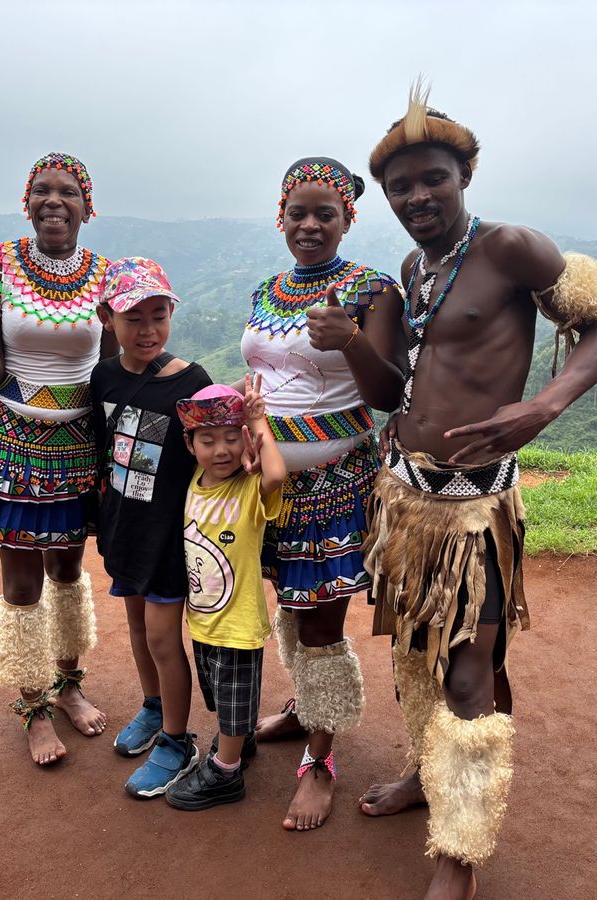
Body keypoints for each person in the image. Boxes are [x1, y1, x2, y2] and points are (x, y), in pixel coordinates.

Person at [357, 85, 597, 900]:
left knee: (469, 675)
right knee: (416, 658)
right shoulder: (415, 267)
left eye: (432, 178)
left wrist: (544, 405)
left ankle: (461, 851)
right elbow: (412, 376)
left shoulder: (509, 248)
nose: (417, 198)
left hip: (476, 509)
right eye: (400, 188)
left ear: (465, 172)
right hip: (405, 501)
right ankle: (423, 771)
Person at [241, 157, 406, 831]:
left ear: (348, 220)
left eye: (325, 214)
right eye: (297, 213)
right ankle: (305, 705)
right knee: (288, 603)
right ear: (280, 217)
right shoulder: (266, 289)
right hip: (265, 480)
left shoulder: (373, 290)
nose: (309, 225)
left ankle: (322, 758)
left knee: (320, 622)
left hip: (335, 483)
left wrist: (355, 341)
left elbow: (391, 392)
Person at [0, 152, 114, 767]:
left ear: (87, 206)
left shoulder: (104, 275)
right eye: (42, 192)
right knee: (22, 584)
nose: (55, 202)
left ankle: (70, 686)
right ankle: (32, 707)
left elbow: (117, 358)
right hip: (15, 445)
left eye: (68, 192)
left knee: (69, 575)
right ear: (27, 204)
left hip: (78, 444)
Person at [89, 257, 213, 798]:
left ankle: (176, 739)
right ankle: (154, 705)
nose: (147, 330)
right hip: (124, 528)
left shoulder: (191, 382)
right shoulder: (105, 377)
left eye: (157, 316)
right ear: (106, 318)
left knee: (164, 638)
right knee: (138, 631)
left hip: (170, 536)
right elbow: (104, 454)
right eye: (133, 317)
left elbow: (215, 458)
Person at [164, 378, 285, 811]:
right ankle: (241, 741)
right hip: (203, 617)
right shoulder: (197, 480)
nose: (221, 450)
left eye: (232, 439)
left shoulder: (250, 489)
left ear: (246, 442)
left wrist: (258, 421)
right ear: (190, 444)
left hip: (236, 622)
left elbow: (276, 472)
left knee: (234, 698)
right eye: (208, 439)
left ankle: (226, 773)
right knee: (222, 695)